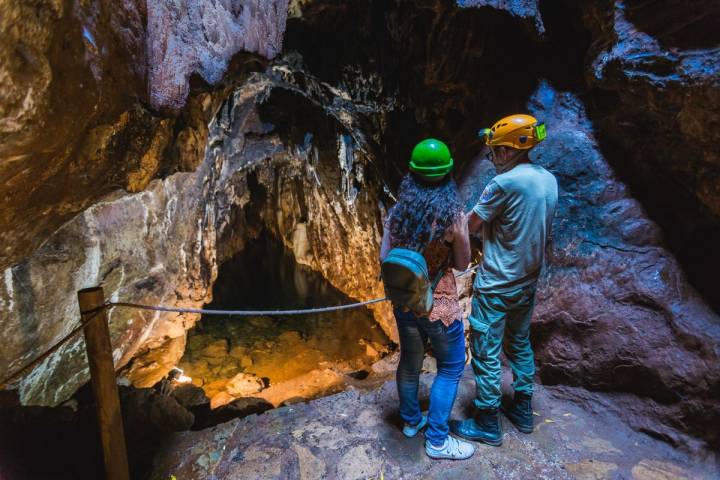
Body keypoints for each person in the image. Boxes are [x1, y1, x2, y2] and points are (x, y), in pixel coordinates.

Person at [451, 114, 558, 446]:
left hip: (497, 284)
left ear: (512, 150)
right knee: (520, 344)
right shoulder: (548, 179)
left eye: (495, 150)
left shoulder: (504, 183)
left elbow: (469, 226)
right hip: (527, 282)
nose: (493, 156)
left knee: (485, 351)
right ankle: (523, 411)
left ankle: (487, 422)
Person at [380, 138, 474, 460]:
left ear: (412, 176)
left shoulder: (396, 215)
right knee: (450, 366)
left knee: (409, 361)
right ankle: (437, 440)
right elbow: (462, 265)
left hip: (405, 302)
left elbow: (385, 258)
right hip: (439, 305)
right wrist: (459, 234)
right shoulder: (452, 218)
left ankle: (410, 421)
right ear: (448, 176)